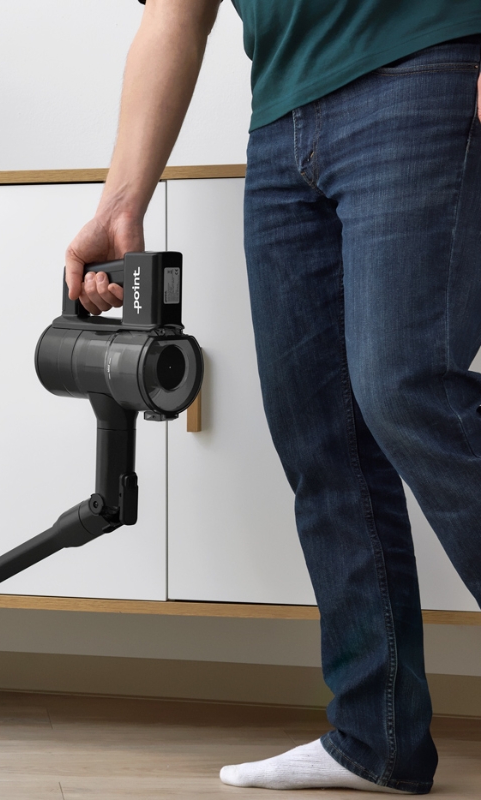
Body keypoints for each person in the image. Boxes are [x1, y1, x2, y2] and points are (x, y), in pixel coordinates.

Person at [66, 0, 481, 794]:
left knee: (406, 386)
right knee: (321, 434)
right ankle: (375, 736)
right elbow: (174, 16)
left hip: (424, 69)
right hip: (283, 118)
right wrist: (120, 203)